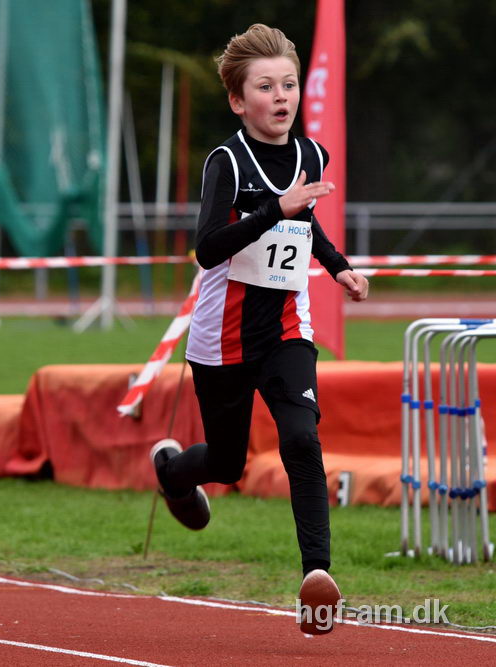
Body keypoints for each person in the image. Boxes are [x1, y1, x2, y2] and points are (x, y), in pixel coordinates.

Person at [149, 23, 369, 634]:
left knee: (302, 439)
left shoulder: (312, 155)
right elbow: (209, 249)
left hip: (289, 329)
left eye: (290, 85)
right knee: (227, 463)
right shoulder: (226, 161)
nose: (282, 97)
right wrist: (274, 209)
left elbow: (307, 228)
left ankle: (316, 580)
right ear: (238, 100)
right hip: (223, 335)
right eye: (266, 86)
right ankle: (172, 472)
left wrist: (339, 267)